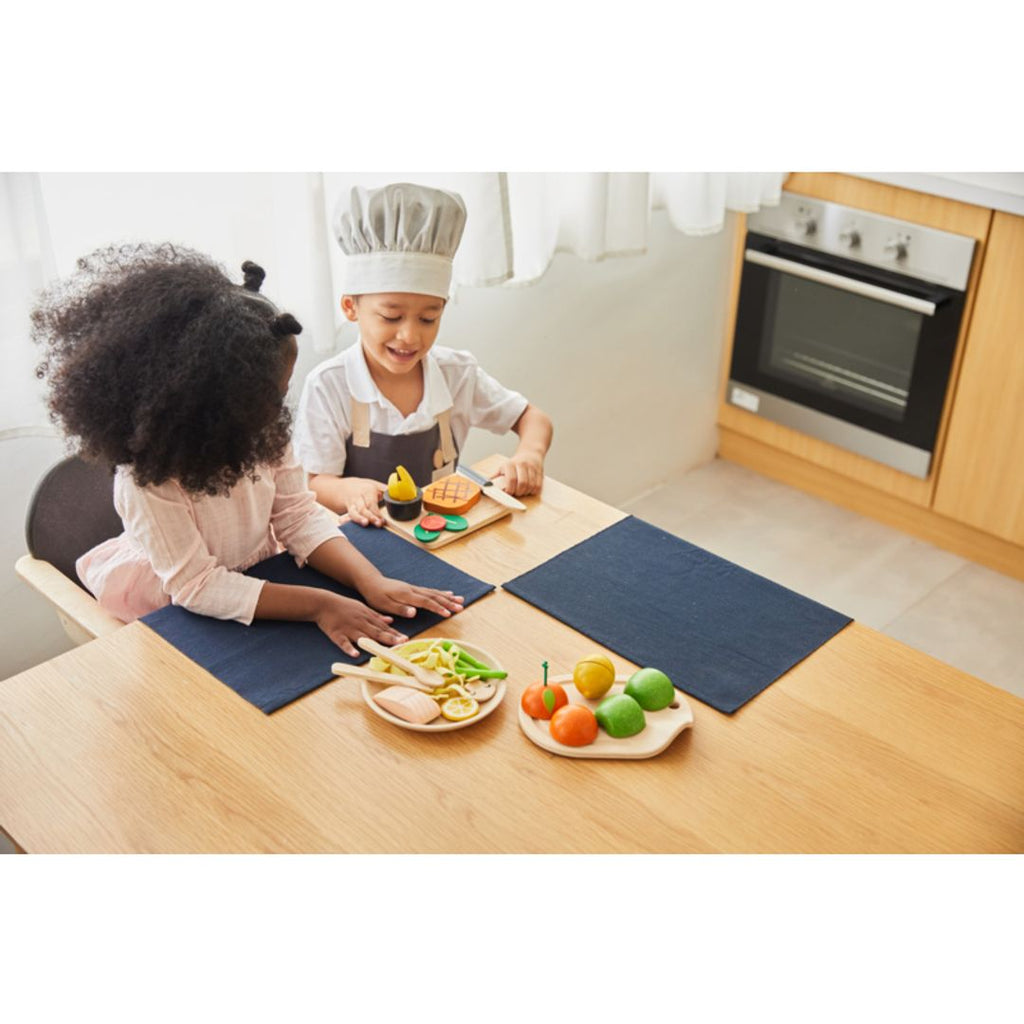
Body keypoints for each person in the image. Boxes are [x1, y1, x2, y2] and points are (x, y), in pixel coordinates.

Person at [31, 243, 463, 656]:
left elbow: (297, 515)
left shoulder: (262, 431)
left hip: (257, 578)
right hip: (179, 601)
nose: (277, 411)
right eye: (268, 398)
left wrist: (369, 580)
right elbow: (197, 586)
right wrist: (320, 605)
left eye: (279, 394)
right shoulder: (149, 481)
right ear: (204, 399)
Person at [293, 182, 553, 526]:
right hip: (360, 542)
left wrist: (529, 456)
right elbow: (313, 483)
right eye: (391, 316)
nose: (410, 336)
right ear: (350, 307)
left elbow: (533, 418)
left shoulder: (456, 373)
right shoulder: (329, 385)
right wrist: (349, 491)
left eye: (429, 318)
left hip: (442, 534)